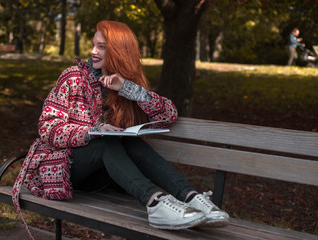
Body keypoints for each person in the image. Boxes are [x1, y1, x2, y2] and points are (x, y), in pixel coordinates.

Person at [12, 20, 229, 237]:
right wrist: (92, 132)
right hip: (64, 169)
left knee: (130, 141)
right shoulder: (73, 77)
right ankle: (155, 203)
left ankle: (191, 198)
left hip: (104, 175)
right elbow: (47, 128)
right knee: (106, 141)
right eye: (94, 44)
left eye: (102, 47)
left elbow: (168, 114)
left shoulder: (126, 85)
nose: (93, 51)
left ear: (118, 51)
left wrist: (127, 88)